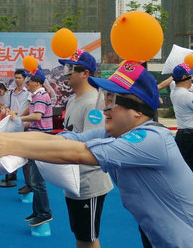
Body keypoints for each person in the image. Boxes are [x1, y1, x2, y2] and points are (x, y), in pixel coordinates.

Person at [0, 61, 193, 247]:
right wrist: (4, 138)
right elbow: (62, 139)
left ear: (137, 112)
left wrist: (11, 146)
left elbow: (76, 152)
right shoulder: (113, 132)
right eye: (107, 98)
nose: (105, 108)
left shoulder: (152, 139)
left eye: (113, 101)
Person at [58, 49, 113, 248]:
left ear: (85, 73)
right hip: (73, 182)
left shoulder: (93, 103)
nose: (66, 73)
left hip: (88, 184)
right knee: (81, 235)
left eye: (71, 68)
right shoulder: (73, 100)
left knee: (88, 238)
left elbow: (92, 146)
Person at [15, 65, 54, 227]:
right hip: (36, 138)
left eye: (29, 81)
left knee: (37, 180)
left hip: (40, 140)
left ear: (37, 83)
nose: (26, 83)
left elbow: (37, 115)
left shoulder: (40, 96)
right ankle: (37, 211)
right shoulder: (37, 95)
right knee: (34, 178)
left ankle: (44, 213)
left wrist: (19, 120)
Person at [0, 69, 31, 189]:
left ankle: (29, 182)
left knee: (24, 152)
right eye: (16, 78)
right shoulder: (11, 93)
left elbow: (28, 109)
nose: (17, 80)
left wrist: (16, 114)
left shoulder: (28, 93)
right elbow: (7, 107)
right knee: (11, 150)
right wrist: (5, 111)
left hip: (23, 124)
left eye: (19, 78)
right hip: (12, 125)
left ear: (24, 79)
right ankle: (12, 173)